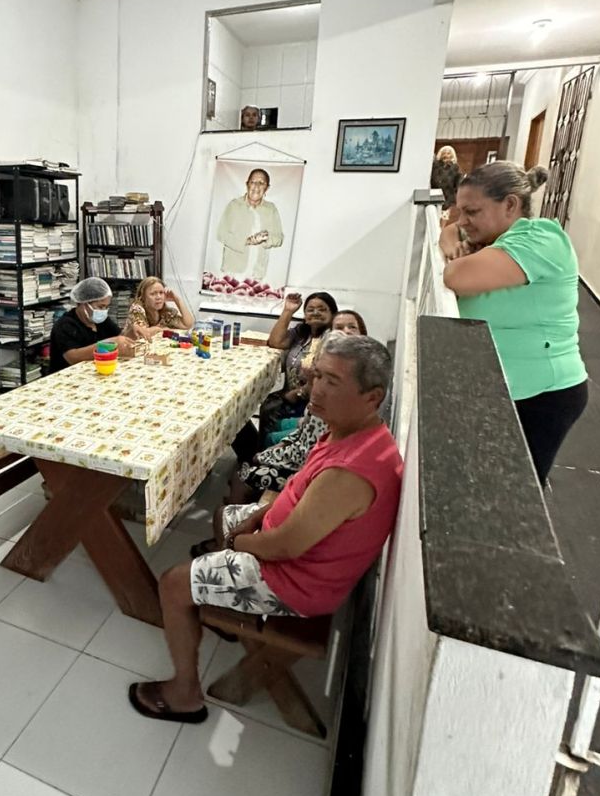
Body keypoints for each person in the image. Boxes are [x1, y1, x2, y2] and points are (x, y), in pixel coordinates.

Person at [128, 333, 402, 723]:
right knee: (224, 515)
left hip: (295, 580)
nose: (316, 389)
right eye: (317, 376)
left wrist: (242, 542)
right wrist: (257, 517)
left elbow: (287, 546)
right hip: (290, 550)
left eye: (332, 381)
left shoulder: (352, 472)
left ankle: (184, 693)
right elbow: (299, 488)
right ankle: (220, 596)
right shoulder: (348, 431)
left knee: (172, 583)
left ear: (372, 397)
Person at [440, 161, 588, 486]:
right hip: (507, 387)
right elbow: (449, 232)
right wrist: (455, 242)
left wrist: (460, 257)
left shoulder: (542, 238)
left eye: (472, 212)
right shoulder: (493, 240)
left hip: (542, 393)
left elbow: (457, 276)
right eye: (461, 211)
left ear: (510, 204)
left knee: (516, 488)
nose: (463, 221)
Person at [227, 311, 369, 507]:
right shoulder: (329, 375)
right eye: (339, 327)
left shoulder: (338, 399)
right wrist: (280, 446)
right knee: (268, 415)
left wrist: (266, 456)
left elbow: (307, 451)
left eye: (352, 326)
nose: (346, 332)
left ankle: (238, 513)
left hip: (307, 471)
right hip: (305, 455)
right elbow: (305, 430)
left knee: (240, 477)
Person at [261, 290, 338, 437]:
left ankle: (272, 446)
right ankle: (263, 449)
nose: (315, 313)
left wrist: (299, 393)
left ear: (333, 315)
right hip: (291, 394)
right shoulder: (301, 333)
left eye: (322, 309)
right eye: (310, 310)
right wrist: (288, 311)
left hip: (312, 400)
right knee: (267, 405)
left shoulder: (331, 338)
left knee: (271, 409)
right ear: (305, 316)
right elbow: (276, 342)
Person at [48, 276, 136, 373]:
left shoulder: (102, 321)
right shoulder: (65, 325)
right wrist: (106, 344)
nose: (104, 311)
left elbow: (119, 338)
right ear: (84, 303)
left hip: (95, 371)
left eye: (106, 307)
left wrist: (131, 331)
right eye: (100, 307)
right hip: (68, 375)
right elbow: (72, 358)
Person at [215, 168, 284, 282]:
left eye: (261, 183)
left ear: (267, 188)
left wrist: (265, 238)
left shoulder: (271, 209)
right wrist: (247, 241)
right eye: (253, 182)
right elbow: (221, 234)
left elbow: (279, 238)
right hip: (232, 272)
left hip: (257, 273)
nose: (256, 186)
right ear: (247, 184)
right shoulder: (234, 205)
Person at [122, 276, 193, 340]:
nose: (158, 297)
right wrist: (160, 329)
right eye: (153, 294)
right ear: (143, 297)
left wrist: (177, 300)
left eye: (161, 293)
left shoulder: (165, 312)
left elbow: (187, 325)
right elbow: (142, 333)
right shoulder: (137, 308)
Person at [431, 145, 461, 210]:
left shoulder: (455, 168)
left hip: (447, 198)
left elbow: (458, 183)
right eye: (444, 153)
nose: (446, 155)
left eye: (448, 153)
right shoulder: (435, 165)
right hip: (433, 195)